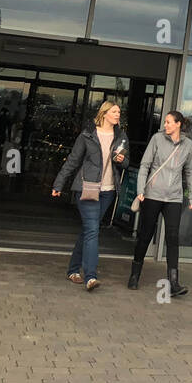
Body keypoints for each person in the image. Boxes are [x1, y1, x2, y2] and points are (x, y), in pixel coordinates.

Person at [51, 101, 128, 291]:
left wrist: (122, 160)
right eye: (114, 111)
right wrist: (58, 183)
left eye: (119, 112)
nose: (118, 114)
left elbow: (126, 163)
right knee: (93, 230)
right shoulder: (87, 135)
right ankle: (91, 277)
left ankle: (73, 270)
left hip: (108, 191)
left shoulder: (121, 137)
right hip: (87, 189)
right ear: (104, 114)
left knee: (88, 230)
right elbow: (73, 160)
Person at [128, 110, 192, 296]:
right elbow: (145, 165)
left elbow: (189, 172)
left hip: (174, 197)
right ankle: (134, 275)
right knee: (145, 235)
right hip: (152, 195)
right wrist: (140, 190)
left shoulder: (188, 145)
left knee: (173, 238)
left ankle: (174, 283)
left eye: (168, 122)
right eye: (165, 122)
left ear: (178, 124)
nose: (165, 125)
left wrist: (191, 196)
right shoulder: (157, 139)